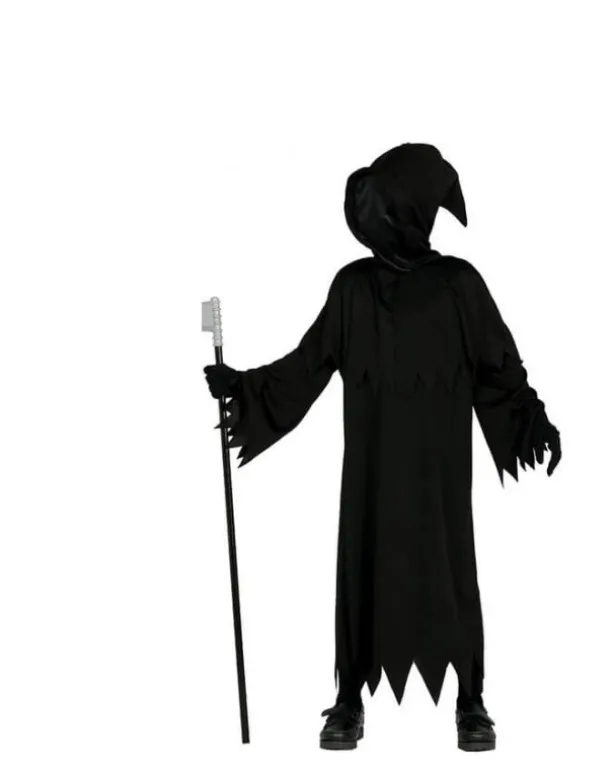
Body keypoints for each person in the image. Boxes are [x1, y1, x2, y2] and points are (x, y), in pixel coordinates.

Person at [204, 142, 561, 751]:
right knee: (362, 561)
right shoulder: (354, 289)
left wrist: (533, 421)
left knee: (451, 564)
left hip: (439, 469)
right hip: (373, 468)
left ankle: (470, 698)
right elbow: (308, 365)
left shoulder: (460, 286)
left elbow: (500, 366)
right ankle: (348, 699)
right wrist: (242, 385)